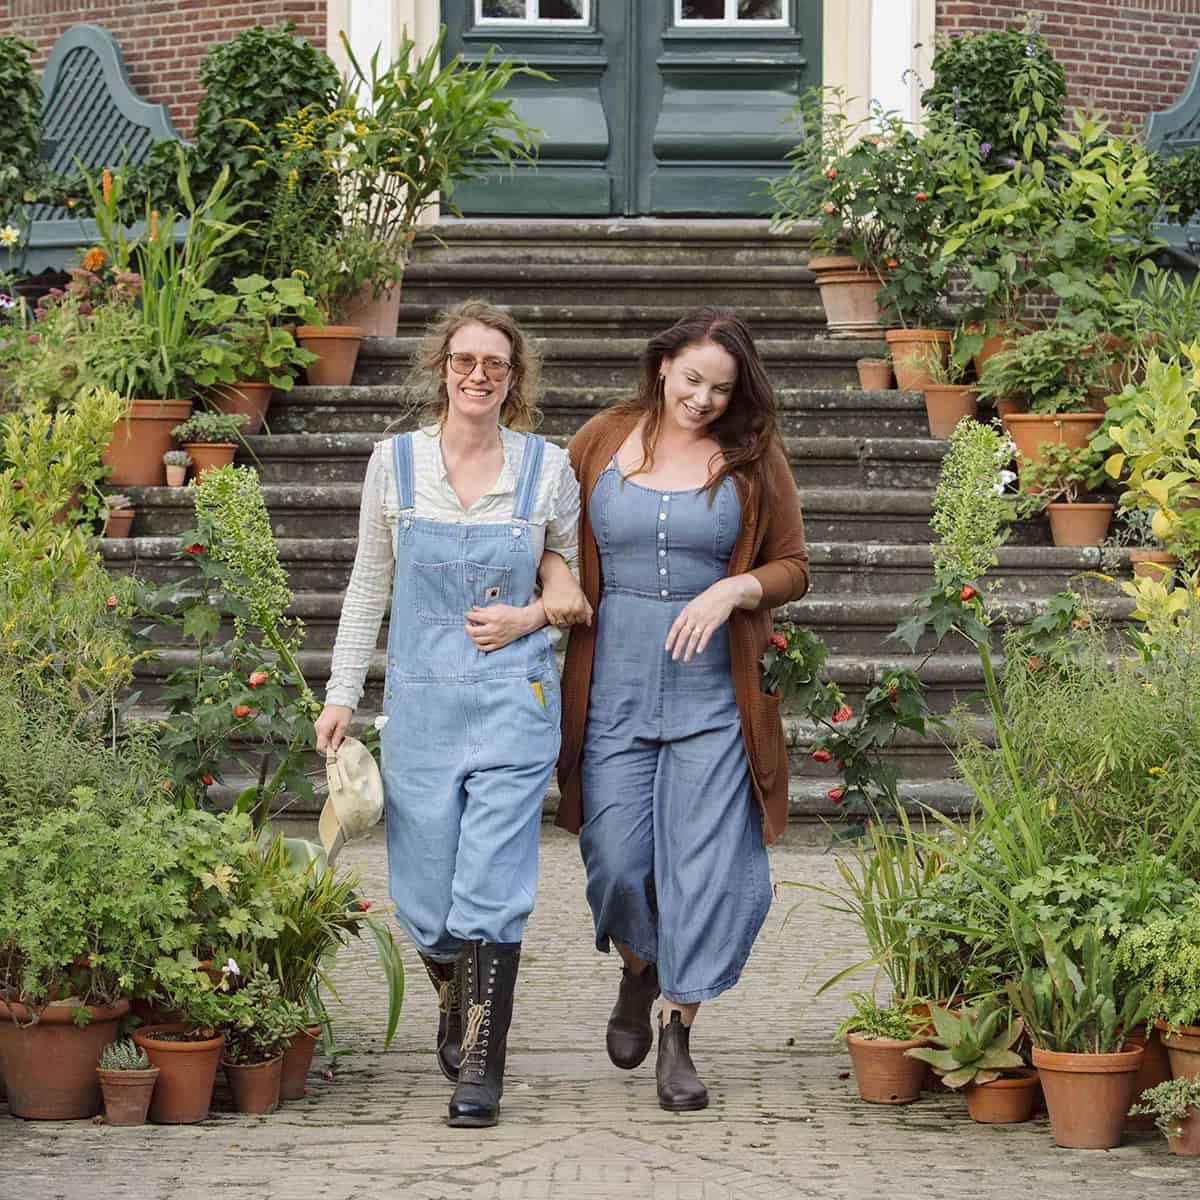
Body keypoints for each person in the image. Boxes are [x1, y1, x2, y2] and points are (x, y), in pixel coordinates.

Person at [315, 299, 590, 1128]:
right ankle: (450, 983)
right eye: (465, 361)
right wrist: (340, 692)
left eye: (495, 366)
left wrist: (528, 618)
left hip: (514, 701)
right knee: (425, 899)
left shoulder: (545, 469)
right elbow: (370, 584)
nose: (479, 376)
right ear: (442, 368)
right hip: (422, 708)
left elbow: (572, 588)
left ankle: (481, 1067)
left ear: (514, 381)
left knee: (491, 891)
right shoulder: (393, 466)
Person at [555, 307, 809, 1112]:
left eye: (721, 388)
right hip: (613, 687)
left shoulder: (754, 456)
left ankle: (678, 1028)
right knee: (619, 861)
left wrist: (738, 586)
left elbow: (793, 565)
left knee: (706, 870)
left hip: (714, 698)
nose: (703, 399)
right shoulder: (599, 440)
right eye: (692, 379)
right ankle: (640, 971)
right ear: (663, 366)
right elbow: (552, 540)